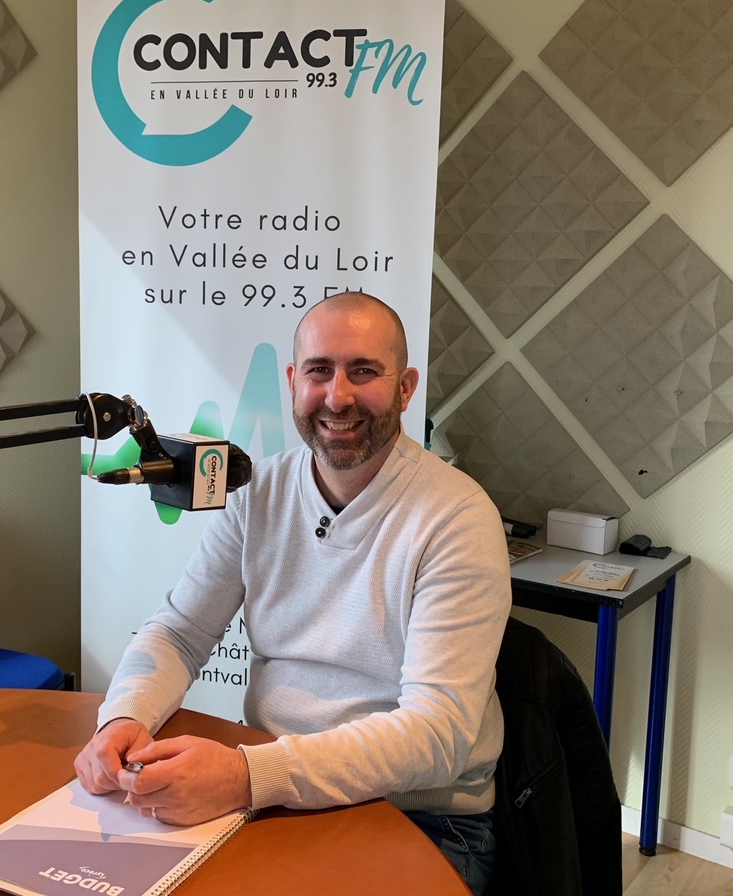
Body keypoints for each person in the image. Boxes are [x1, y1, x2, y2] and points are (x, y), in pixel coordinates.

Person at [74, 292, 511, 894]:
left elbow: (436, 735)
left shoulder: (457, 518)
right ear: (291, 381)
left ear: (406, 388)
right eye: (319, 370)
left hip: (418, 817)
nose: (337, 396)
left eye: (364, 371)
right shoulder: (257, 489)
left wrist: (246, 776)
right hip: (273, 789)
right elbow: (180, 631)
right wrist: (122, 717)